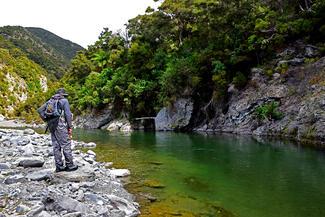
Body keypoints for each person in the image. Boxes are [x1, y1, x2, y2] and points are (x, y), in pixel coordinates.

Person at [43, 88, 78, 172]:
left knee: (56, 145)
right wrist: (69, 127)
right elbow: (68, 114)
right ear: (63, 95)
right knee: (66, 143)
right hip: (60, 124)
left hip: (51, 124)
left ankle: (59, 166)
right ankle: (70, 165)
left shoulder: (50, 100)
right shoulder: (64, 101)